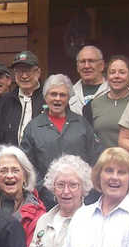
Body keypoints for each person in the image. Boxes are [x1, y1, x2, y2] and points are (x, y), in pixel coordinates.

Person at [20, 73, 100, 207]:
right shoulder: (33, 127)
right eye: (53, 94)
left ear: (69, 97)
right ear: (45, 97)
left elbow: (95, 157)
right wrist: (45, 188)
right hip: (45, 199)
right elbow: (26, 165)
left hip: (82, 198)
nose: (57, 99)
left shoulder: (82, 124)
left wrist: (87, 186)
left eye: (62, 95)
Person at [0, 145, 46, 246]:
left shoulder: (38, 214)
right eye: (3, 171)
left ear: (25, 176)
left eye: (15, 170)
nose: (9, 175)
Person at [0, 50, 44, 148]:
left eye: (28, 70)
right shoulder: (5, 102)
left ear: (38, 72)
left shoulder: (48, 98)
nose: (24, 76)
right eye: (19, 71)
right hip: (11, 161)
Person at [83, 55, 129, 149]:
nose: (116, 76)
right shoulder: (93, 105)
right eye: (112, 72)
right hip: (102, 161)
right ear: (107, 77)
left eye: (122, 72)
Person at [69, 45, 108, 115]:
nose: (86, 66)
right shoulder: (69, 93)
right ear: (77, 67)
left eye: (91, 61)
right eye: (82, 61)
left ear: (101, 65)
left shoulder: (115, 91)